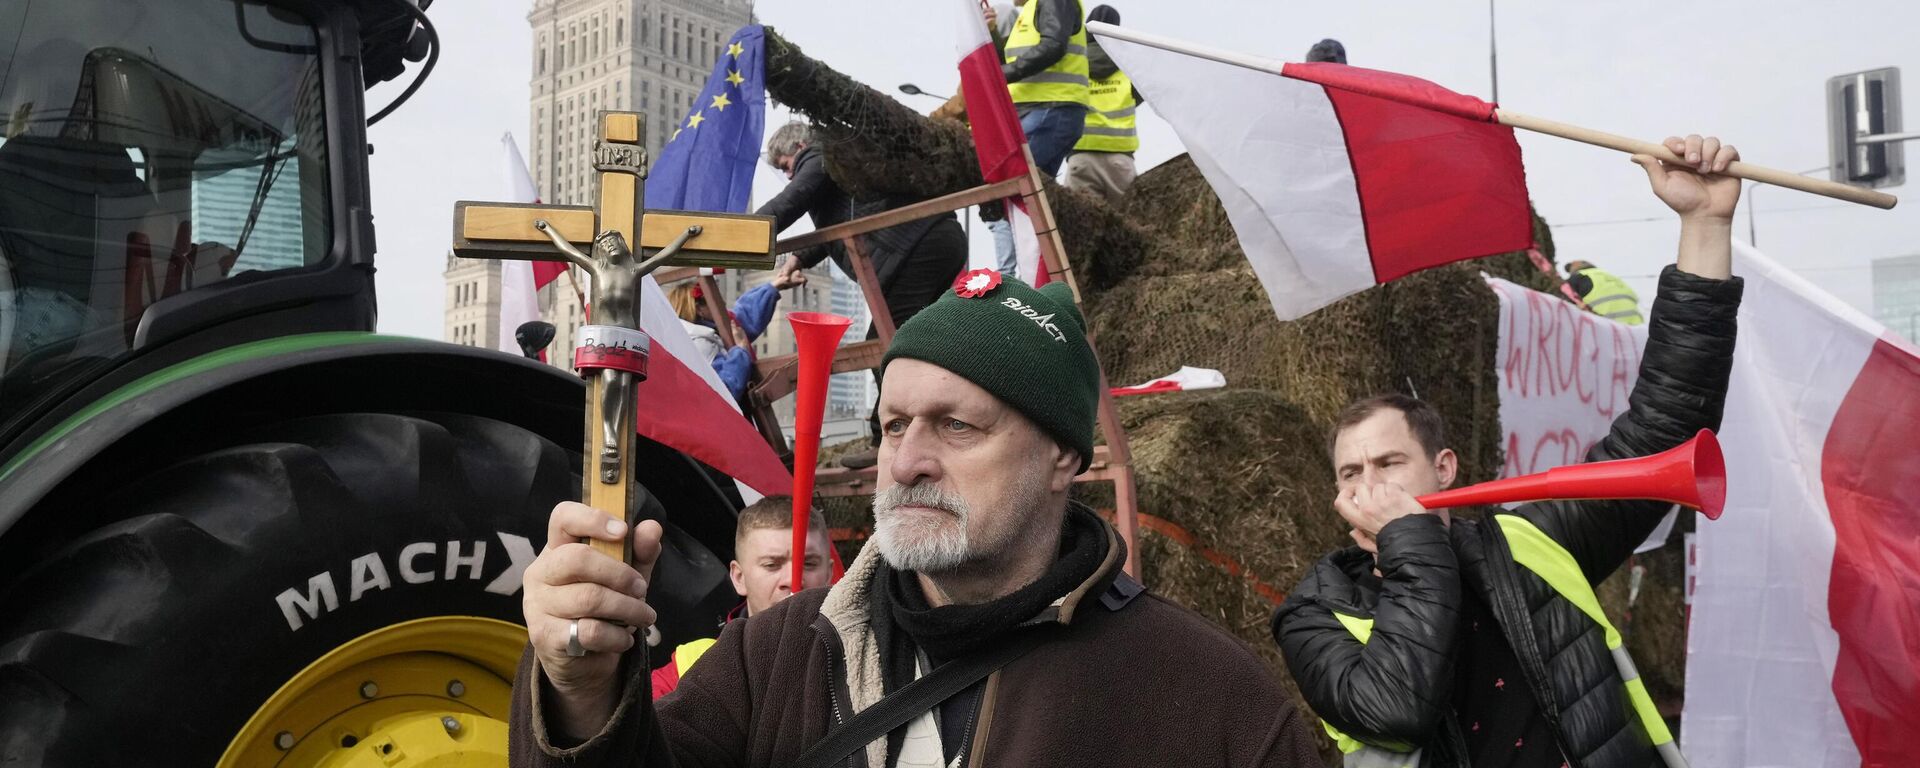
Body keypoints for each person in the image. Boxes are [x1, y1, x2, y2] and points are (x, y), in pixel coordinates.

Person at [513, 271, 1322, 767]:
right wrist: (579, 693)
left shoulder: (1208, 700)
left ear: (1062, 460)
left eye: (957, 426)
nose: (906, 463)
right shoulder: (776, 652)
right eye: (894, 426)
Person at [1273, 135, 1746, 768]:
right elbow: (1396, 711)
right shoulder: (1313, 613)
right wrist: (1411, 540)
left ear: (1444, 468)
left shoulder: (1530, 545)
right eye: (1351, 474)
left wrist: (1704, 224)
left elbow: (1668, 423)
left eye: (1390, 464)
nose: (1370, 489)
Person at [759, 122, 970, 469]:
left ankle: (893, 439)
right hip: (931, 238)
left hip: (913, 245)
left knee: (885, 345)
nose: (787, 175)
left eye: (785, 166)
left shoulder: (820, 153)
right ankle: (929, 426)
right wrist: (800, 257)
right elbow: (837, 223)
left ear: (798, 145)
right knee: (915, 341)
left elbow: (793, 200)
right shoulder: (840, 165)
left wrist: (739, 233)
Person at [650, 495, 834, 698]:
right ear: (739, 577)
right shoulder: (688, 668)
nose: (792, 579)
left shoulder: (862, 661)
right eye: (771, 565)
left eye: (808, 564)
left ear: (829, 574)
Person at [984, 0, 1090, 273]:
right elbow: (1012, 58)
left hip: (1050, 110)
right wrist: (994, 33)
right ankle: (1038, 278)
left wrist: (1003, 74)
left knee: (1013, 193)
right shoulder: (1029, 11)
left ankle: (1022, 281)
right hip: (1046, 112)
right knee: (1026, 201)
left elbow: (1053, 46)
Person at [666, 274, 797, 401]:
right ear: (699, 308)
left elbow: (743, 317)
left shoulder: (706, 332)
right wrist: (740, 350)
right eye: (713, 301)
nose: (721, 303)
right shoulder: (699, 343)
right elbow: (725, 390)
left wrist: (772, 287)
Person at [1064, 5, 1141, 203]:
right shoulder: (1128, 66)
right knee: (1129, 229)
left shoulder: (1073, 64)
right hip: (1120, 160)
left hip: (1080, 158)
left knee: (1081, 230)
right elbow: (1142, 95)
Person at [1564, 259, 1646, 325]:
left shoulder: (1578, 278)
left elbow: (1563, 297)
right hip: (1636, 328)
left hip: (1607, 327)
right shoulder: (1611, 277)